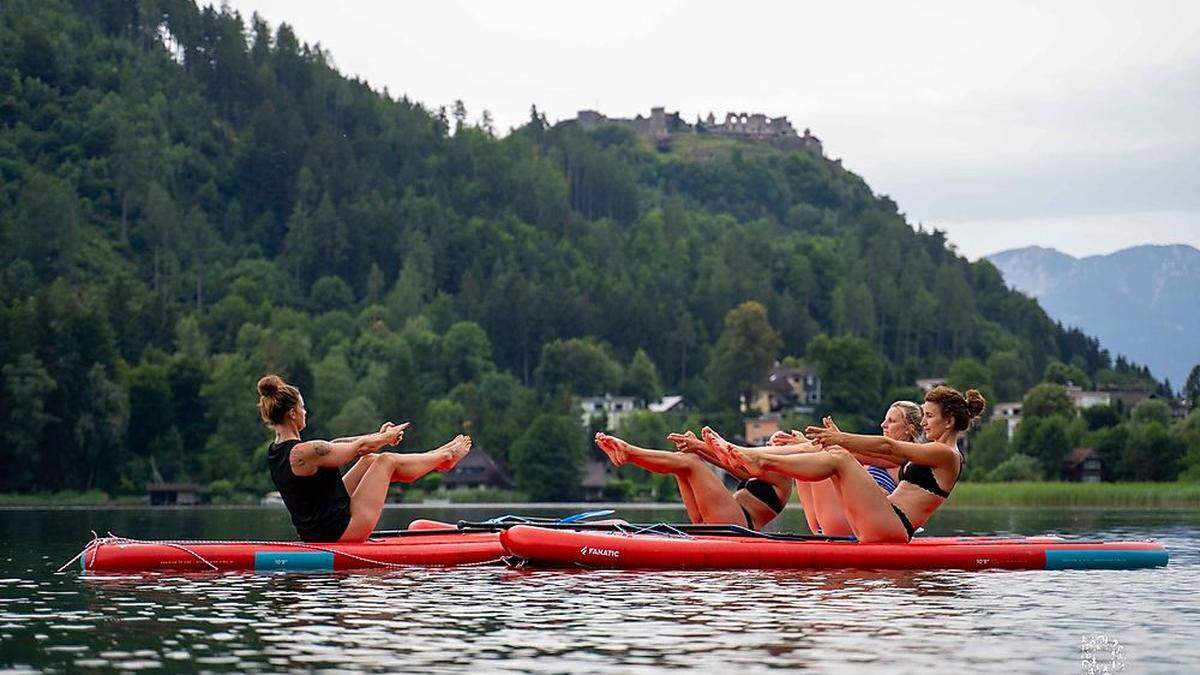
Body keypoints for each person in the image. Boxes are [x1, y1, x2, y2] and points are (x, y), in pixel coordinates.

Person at [707, 386, 984, 543]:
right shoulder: (931, 452)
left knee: (839, 456)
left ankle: (759, 460)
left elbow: (889, 446)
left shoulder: (947, 455)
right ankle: (756, 458)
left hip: (893, 526)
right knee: (837, 452)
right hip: (882, 519)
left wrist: (841, 439)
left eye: (930, 416)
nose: (924, 422)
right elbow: (874, 452)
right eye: (923, 416)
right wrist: (837, 440)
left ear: (949, 421)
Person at [257, 374, 471, 543]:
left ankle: (439, 457)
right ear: (292, 413)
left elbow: (339, 444)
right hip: (338, 532)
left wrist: (379, 437)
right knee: (386, 460)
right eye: (302, 407)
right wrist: (384, 439)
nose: (306, 411)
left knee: (369, 461)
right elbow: (357, 447)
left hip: (319, 529)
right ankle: (444, 457)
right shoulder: (302, 453)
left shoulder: (277, 451)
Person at [593, 431, 790, 529]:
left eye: (774, 444)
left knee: (691, 464)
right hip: (722, 519)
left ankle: (629, 453)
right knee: (683, 463)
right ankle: (627, 455)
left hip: (738, 525)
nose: (767, 447)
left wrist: (700, 446)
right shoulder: (760, 469)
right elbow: (729, 464)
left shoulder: (782, 476)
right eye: (768, 443)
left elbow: (737, 460)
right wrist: (697, 448)